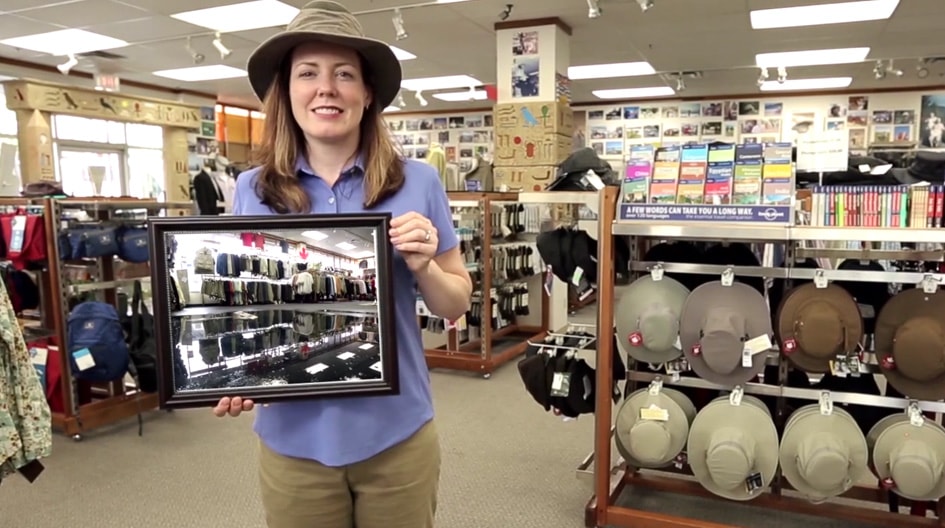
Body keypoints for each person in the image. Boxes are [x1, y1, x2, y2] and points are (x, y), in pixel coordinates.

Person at [210, 2, 473, 527]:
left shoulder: (417, 181)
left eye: (344, 74)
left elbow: (455, 303)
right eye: (308, 73)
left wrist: (424, 266)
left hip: (397, 434)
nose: (325, 88)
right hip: (293, 439)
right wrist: (236, 373)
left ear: (367, 92)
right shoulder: (251, 189)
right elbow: (238, 303)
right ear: (287, 91)